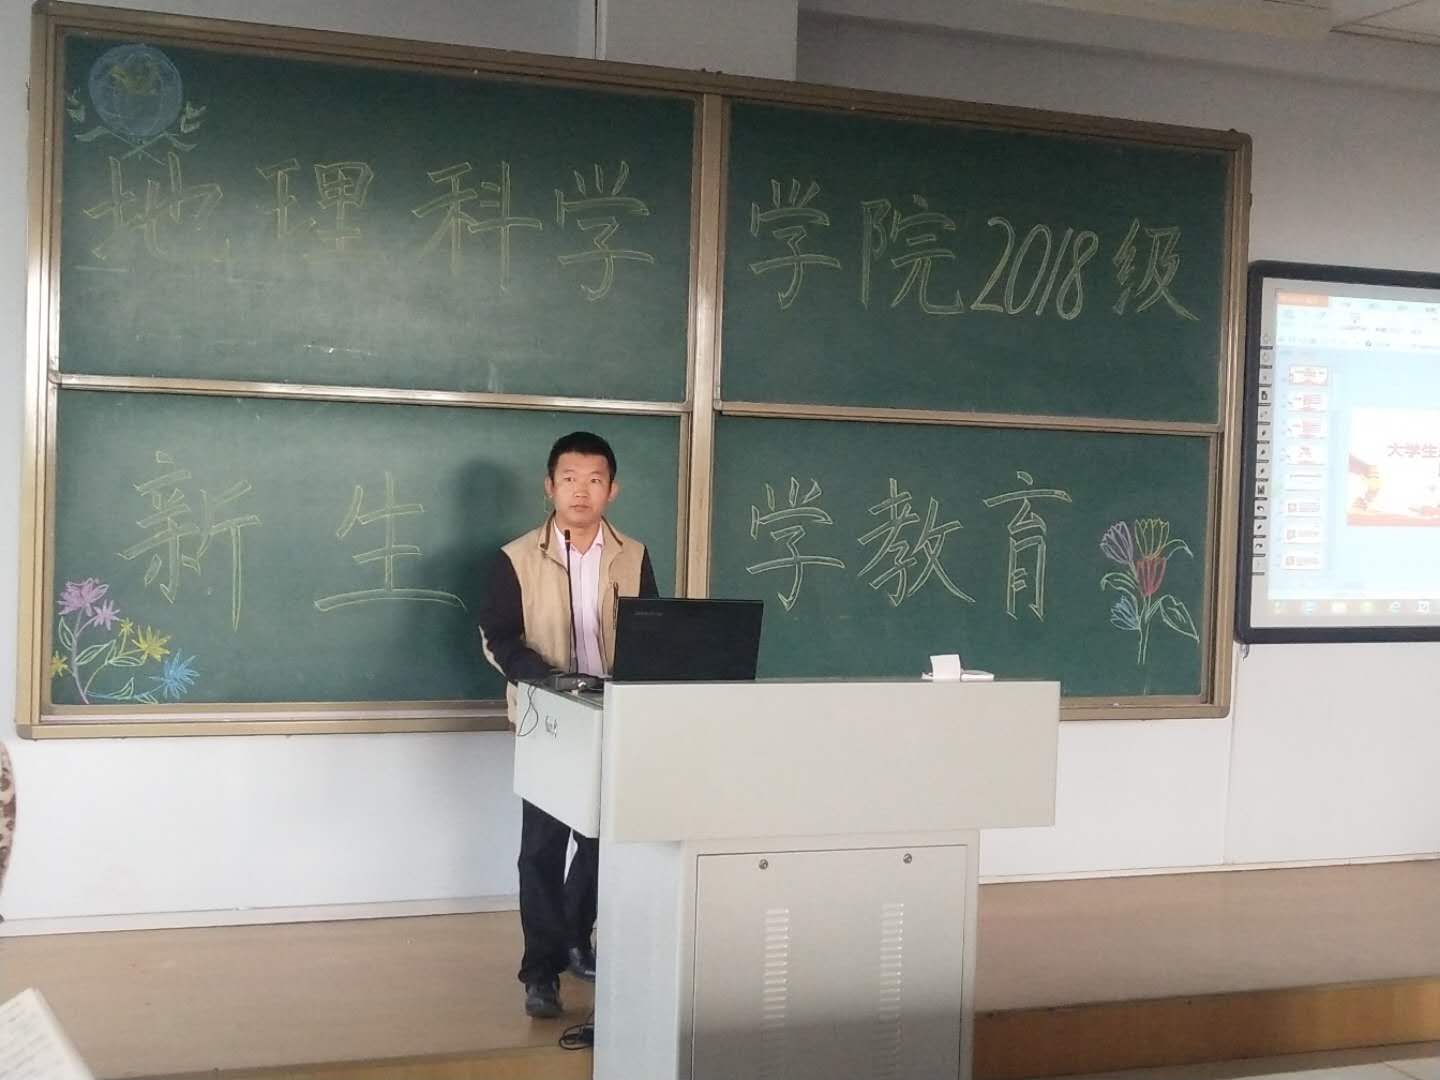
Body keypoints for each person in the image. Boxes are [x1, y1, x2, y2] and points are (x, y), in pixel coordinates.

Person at [477, 431, 659, 1019]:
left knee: (604, 839)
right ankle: (540, 970)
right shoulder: (515, 557)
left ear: (613, 489)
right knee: (542, 846)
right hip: (549, 717)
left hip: (614, 716)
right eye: (571, 479)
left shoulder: (634, 555)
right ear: (550, 487)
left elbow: (652, 631)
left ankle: (577, 939)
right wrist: (549, 681)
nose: (582, 491)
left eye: (595, 480)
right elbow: (498, 638)